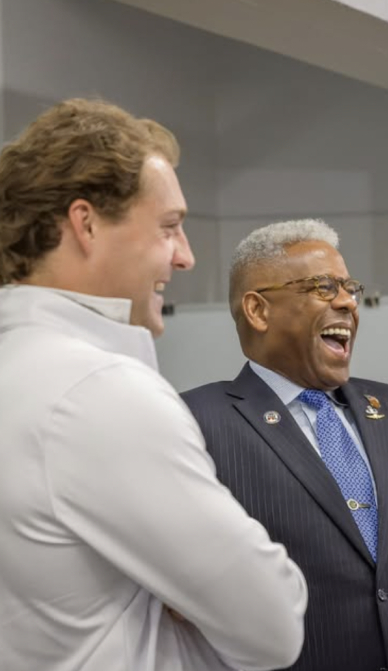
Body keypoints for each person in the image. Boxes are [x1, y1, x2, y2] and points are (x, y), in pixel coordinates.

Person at [0, 98, 308, 671]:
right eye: (169, 228)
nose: (186, 257)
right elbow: (273, 625)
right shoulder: (98, 391)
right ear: (85, 223)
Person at [182, 219, 388, 671]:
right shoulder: (195, 424)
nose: (346, 302)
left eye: (349, 287)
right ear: (258, 310)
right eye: (322, 287)